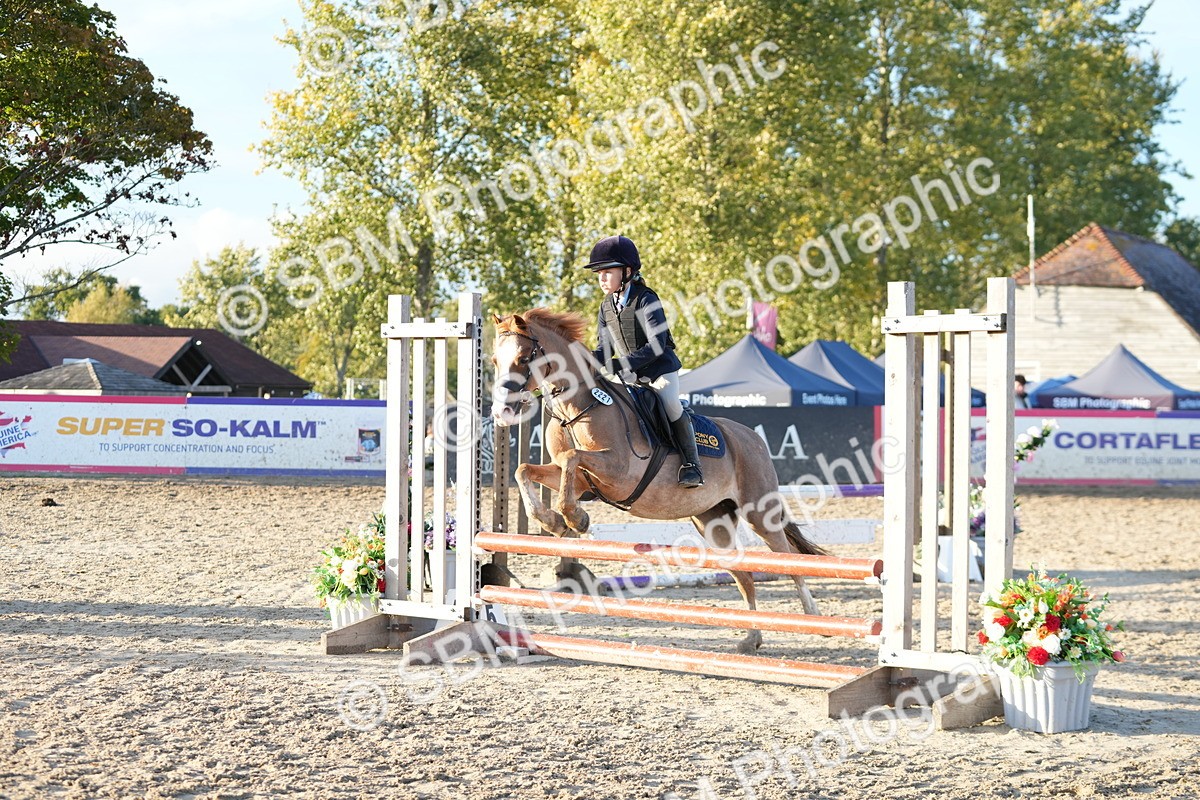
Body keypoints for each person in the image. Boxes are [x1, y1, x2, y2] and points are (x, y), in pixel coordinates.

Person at [584, 235, 703, 488]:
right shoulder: (606, 307)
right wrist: (583, 360)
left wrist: (621, 364)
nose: (601, 278)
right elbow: (603, 349)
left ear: (627, 271)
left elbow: (657, 345)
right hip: (630, 376)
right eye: (599, 273)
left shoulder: (646, 299)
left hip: (659, 372)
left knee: (670, 404)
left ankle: (692, 465)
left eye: (607, 272)